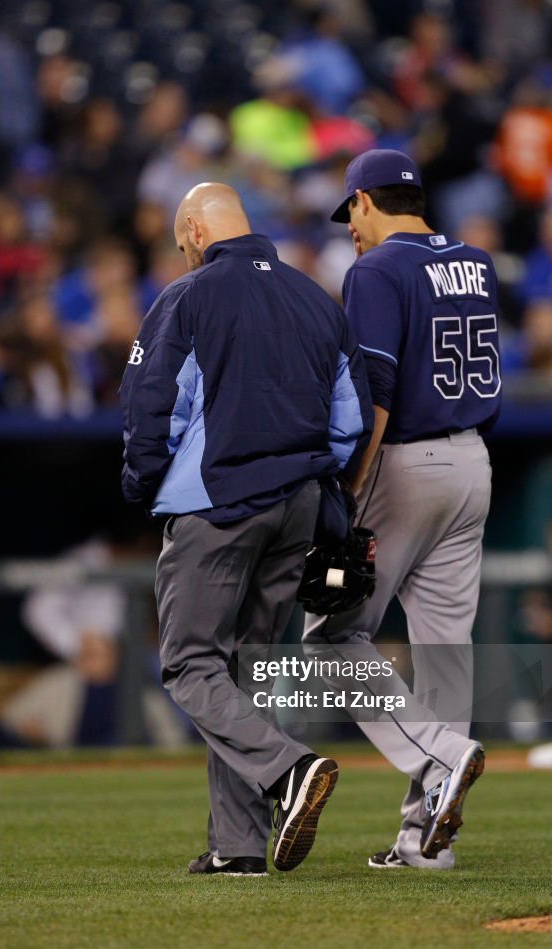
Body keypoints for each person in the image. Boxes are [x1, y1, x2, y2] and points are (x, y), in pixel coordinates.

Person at [119, 182, 373, 876]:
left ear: (198, 231)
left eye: (182, 244)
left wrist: (143, 487)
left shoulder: (187, 297)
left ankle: (289, 771)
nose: (184, 255)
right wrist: (322, 490)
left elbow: (151, 408)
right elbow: (351, 417)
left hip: (217, 501)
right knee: (246, 670)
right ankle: (237, 848)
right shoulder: (314, 296)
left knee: (191, 662)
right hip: (298, 503)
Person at [305, 149, 501, 869]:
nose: (349, 229)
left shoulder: (376, 269)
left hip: (402, 463)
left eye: (349, 213)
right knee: (445, 651)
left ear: (364, 202)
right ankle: (423, 840)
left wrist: (349, 493)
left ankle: (441, 755)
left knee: (328, 637)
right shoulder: (475, 261)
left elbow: (374, 392)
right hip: (471, 459)